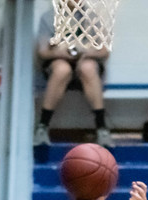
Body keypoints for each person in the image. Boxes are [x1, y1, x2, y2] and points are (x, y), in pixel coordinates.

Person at [33, 6, 112, 147]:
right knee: (62, 69)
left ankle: (102, 128)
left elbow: (104, 51)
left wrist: (84, 51)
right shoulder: (49, 16)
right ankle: (42, 127)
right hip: (58, 62)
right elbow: (43, 52)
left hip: (86, 62)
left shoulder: (92, 16)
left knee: (88, 67)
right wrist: (61, 52)